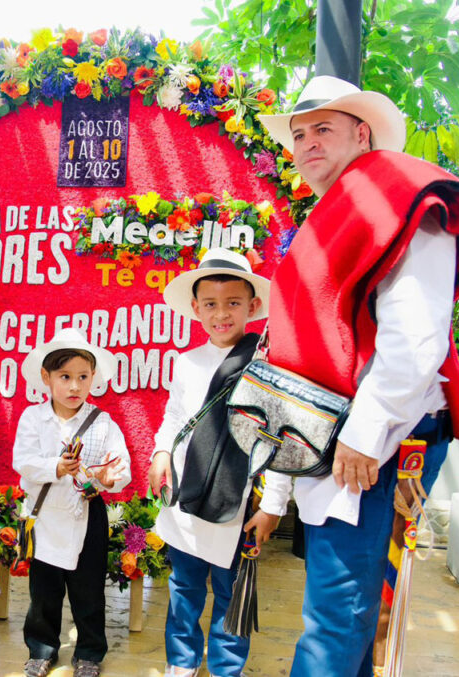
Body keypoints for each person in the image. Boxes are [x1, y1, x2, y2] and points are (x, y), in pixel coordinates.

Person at [258, 75, 459, 676]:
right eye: (299, 134)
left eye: (324, 129)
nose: (307, 142)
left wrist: (366, 434)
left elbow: (415, 332)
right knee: (350, 619)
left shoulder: (397, 192)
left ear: (362, 133)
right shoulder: (351, 201)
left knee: (338, 619)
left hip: (373, 441)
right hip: (341, 437)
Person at [147, 248, 292, 677]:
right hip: (187, 495)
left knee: (232, 594)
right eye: (210, 304)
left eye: (233, 303)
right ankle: (182, 662)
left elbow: (280, 439)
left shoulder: (268, 364)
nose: (221, 314)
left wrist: (273, 506)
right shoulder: (186, 362)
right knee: (183, 587)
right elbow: (176, 417)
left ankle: (227, 667)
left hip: (241, 501)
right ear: (195, 308)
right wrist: (161, 451)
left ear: (253, 306)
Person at [13, 328, 132, 677]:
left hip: (87, 517)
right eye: (65, 377)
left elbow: (119, 464)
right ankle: (41, 648)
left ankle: (90, 653)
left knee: (89, 592)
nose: (75, 386)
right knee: (43, 594)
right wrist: (55, 467)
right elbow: (23, 460)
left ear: (93, 377)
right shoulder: (33, 418)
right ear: (46, 378)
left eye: (83, 377)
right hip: (45, 515)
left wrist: (112, 478)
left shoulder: (103, 422)